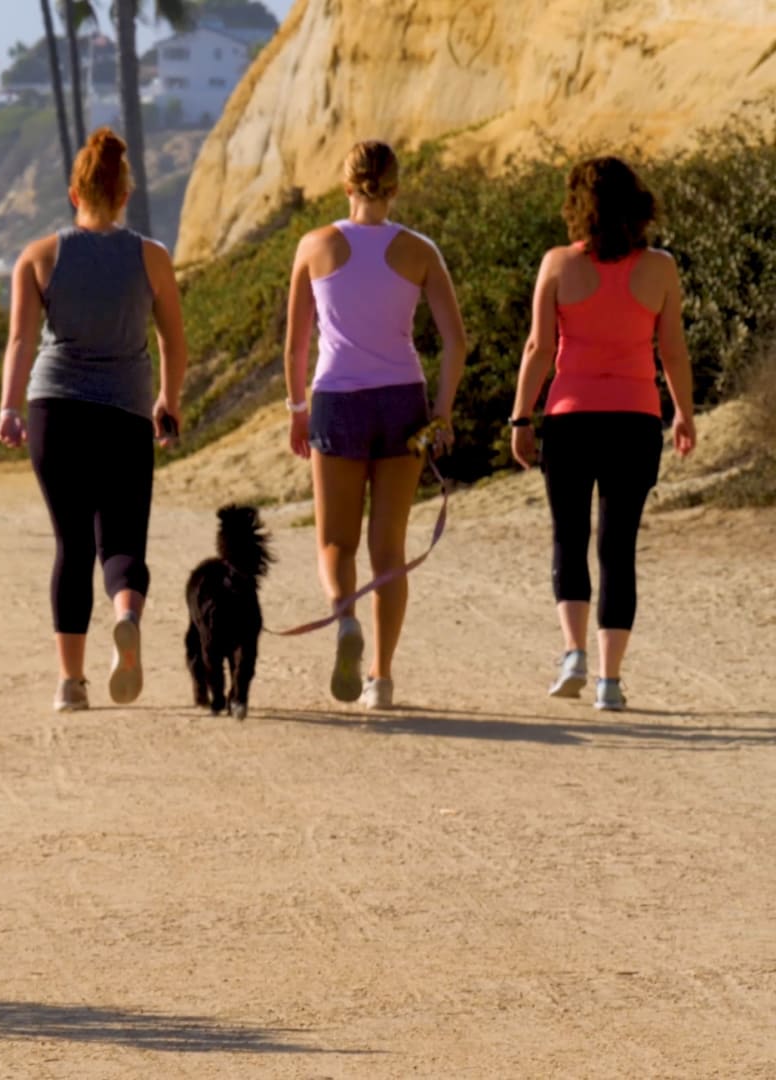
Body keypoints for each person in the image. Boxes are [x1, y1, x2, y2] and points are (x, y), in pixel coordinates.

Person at [0, 127, 188, 713]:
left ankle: (70, 685)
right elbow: (174, 342)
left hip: (55, 408)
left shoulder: (39, 256)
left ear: (73, 195)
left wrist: (8, 407)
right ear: (124, 193)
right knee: (123, 539)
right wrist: (169, 402)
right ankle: (126, 617)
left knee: (71, 544)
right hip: (126, 409)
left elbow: (21, 340)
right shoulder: (151, 257)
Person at [282, 140, 467, 710]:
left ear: (346, 185)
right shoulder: (419, 251)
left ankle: (344, 618)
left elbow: (295, 348)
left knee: (336, 541)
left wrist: (296, 410)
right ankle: (381, 679)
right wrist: (441, 411)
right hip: (402, 402)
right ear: (395, 186)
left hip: (337, 398)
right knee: (388, 547)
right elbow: (456, 341)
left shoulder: (315, 246)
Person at [509, 157, 697, 712]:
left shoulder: (557, 264)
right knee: (618, 548)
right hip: (636, 419)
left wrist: (522, 417)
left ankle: (573, 654)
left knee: (569, 536)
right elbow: (674, 351)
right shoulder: (660, 268)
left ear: (577, 207)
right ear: (636, 205)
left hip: (570, 418)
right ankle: (609, 683)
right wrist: (683, 412)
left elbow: (538, 349)